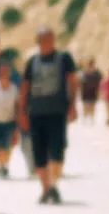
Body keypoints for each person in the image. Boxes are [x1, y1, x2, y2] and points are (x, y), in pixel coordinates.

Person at [17, 26, 78, 204]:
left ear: (53, 40)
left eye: (49, 39)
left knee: (57, 152)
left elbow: (73, 82)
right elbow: (25, 88)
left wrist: (73, 105)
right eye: (42, 40)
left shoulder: (64, 59)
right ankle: (46, 188)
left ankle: (52, 186)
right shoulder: (32, 62)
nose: (46, 43)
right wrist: (22, 112)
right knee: (39, 154)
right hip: (36, 113)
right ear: (38, 42)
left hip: (57, 112)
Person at [79, 57, 103, 124]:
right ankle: (91, 119)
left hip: (86, 91)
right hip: (92, 91)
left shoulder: (84, 72)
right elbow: (100, 80)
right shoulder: (96, 72)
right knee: (91, 105)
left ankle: (86, 119)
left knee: (86, 105)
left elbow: (81, 82)